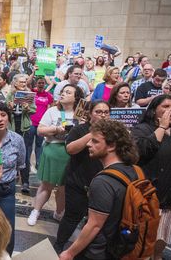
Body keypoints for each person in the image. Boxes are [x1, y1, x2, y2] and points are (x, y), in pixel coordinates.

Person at [59, 119, 140, 260]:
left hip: (98, 252)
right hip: (121, 247)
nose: (89, 144)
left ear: (111, 146)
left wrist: (70, 253)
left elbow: (94, 225)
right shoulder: (135, 170)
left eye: (95, 141)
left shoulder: (103, 181)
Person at [54, 101, 110, 253]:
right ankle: (59, 244)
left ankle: (85, 248)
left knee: (95, 220)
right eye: (98, 112)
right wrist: (93, 133)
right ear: (90, 113)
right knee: (72, 216)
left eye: (106, 112)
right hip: (78, 181)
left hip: (102, 184)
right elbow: (70, 149)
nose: (103, 115)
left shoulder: (112, 131)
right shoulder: (80, 129)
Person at [28, 84, 84, 226]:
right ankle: (35, 211)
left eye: (68, 92)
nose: (63, 94)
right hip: (53, 150)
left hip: (71, 153)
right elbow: (40, 130)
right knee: (46, 185)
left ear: (76, 97)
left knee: (64, 187)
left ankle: (59, 212)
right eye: (63, 91)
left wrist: (83, 125)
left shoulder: (81, 113)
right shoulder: (53, 111)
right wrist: (55, 129)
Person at [131, 94, 171, 259]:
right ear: (154, 109)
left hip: (170, 193)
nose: (170, 110)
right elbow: (140, 152)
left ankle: (157, 256)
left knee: (163, 232)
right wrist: (162, 127)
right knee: (144, 236)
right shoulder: (143, 128)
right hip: (149, 193)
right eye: (165, 106)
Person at [0, 102, 25, 255]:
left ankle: (6, 256)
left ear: (8, 117)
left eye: (3, 115)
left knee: (7, 228)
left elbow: (21, 164)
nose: (0, 119)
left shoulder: (17, 140)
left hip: (6, 190)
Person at [23, 77, 53, 193]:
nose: (41, 84)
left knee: (39, 145)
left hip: (42, 124)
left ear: (45, 84)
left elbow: (50, 108)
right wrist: (34, 73)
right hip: (31, 122)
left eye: (43, 83)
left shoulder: (48, 96)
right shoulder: (32, 93)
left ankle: (39, 165)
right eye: (39, 83)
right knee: (29, 145)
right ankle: (28, 166)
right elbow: (28, 82)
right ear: (36, 84)